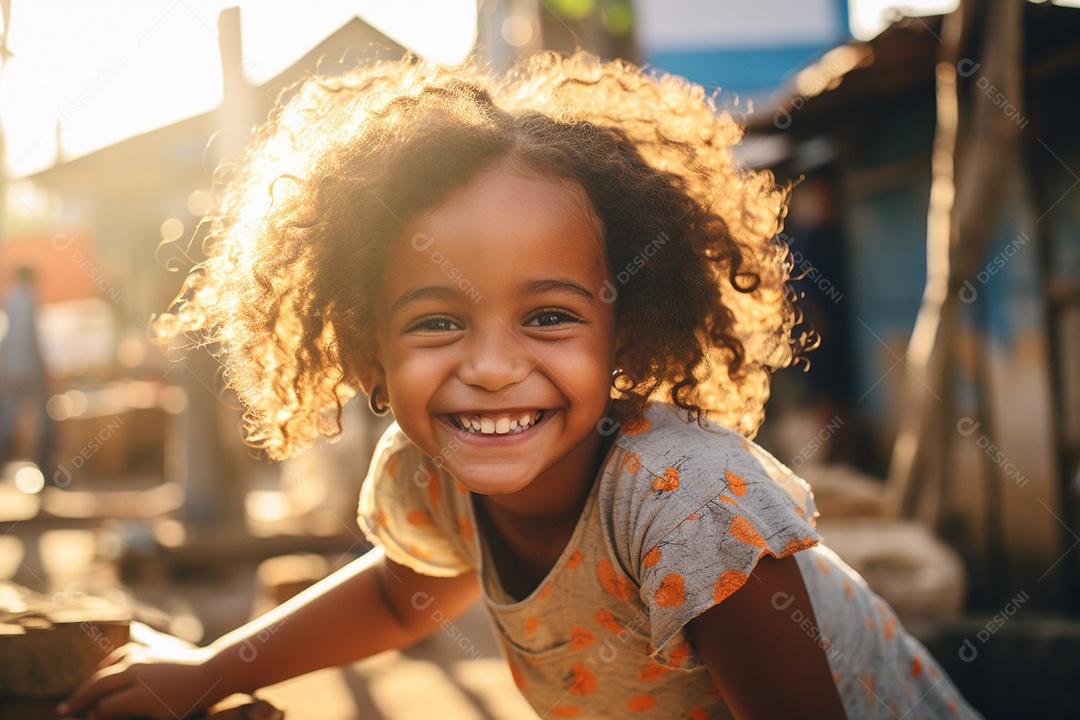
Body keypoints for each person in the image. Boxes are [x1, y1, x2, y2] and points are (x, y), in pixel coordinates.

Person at [61, 52, 983, 719]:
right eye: (437, 322)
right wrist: (213, 671)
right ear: (365, 347)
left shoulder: (691, 510)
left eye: (548, 316)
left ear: (626, 327)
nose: (494, 367)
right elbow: (400, 594)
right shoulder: (432, 474)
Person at [0, 264, 55, 475]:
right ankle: (46, 467)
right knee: (44, 418)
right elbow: (30, 338)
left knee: (6, 416)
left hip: (14, 370)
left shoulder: (11, 299)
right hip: (29, 370)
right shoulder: (26, 300)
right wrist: (43, 367)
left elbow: (7, 339)